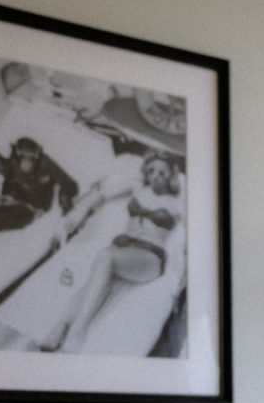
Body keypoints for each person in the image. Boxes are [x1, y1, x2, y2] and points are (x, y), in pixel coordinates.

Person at [42, 149, 183, 354]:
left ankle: (78, 329)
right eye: (152, 171)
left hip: (150, 257)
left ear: (172, 174)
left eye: (163, 172)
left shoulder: (177, 204)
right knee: (95, 281)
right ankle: (62, 325)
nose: (156, 177)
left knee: (105, 257)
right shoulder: (137, 188)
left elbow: (198, 230)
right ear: (146, 172)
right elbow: (102, 194)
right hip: (124, 248)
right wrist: (73, 217)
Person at [0, 137, 79, 238]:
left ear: (36, 157)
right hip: (9, 200)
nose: (27, 161)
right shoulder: (14, 161)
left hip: (30, 209)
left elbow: (70, 184)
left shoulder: (46, 164)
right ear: (18, 155)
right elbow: (2, 166)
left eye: (31, 157)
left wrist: (65, 195)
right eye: (24, 156)